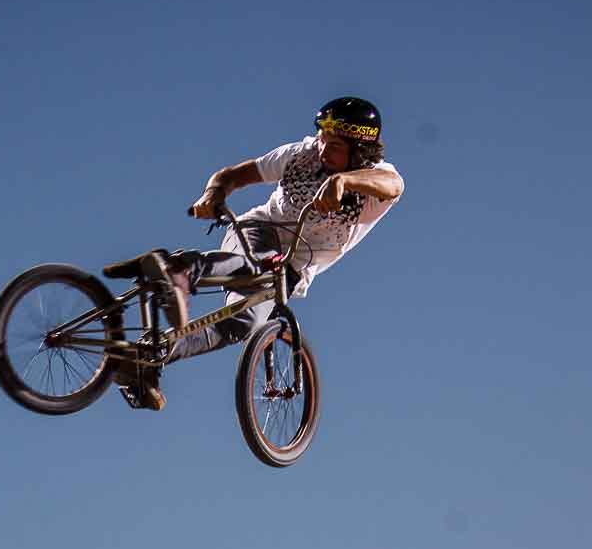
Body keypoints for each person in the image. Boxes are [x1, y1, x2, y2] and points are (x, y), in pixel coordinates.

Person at [106, 97, 403, 409]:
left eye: (336, 147)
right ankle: (180, 269)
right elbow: (233, 175)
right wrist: (213, 193)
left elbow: (393, 184)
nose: (324, 151)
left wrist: (343, 180)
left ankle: (147, 357)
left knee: (243, 324)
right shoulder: (299, 155)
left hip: (292, 267)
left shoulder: (375, 181)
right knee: (256, 265)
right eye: (323, 141)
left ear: (360, 151)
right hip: (258, 232)